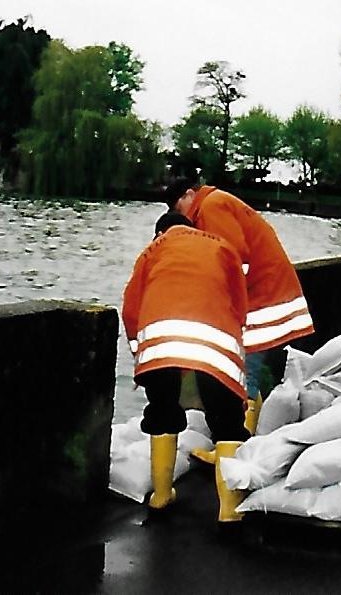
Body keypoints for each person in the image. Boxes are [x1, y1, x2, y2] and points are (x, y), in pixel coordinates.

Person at [121, 211, 249, 522]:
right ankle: (229, 511)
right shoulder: (222, 246)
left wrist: (143, 357)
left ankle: (161, 496)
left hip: (160, 341)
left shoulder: (153, 251)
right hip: (215, 343)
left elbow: (131, 309)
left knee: (162, 410)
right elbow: (239, 301)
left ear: (159, 233)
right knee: (226, 420)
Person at [163, 178, 315, 404]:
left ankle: (242, 436)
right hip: (270, 293)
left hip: (261, 300)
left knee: (244, 373)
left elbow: (231, 258)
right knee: (252, 369)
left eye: (179, 209)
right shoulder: (218, 202)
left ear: (188, 195)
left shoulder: (210, 207)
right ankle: (255, 424)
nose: (182, 218)